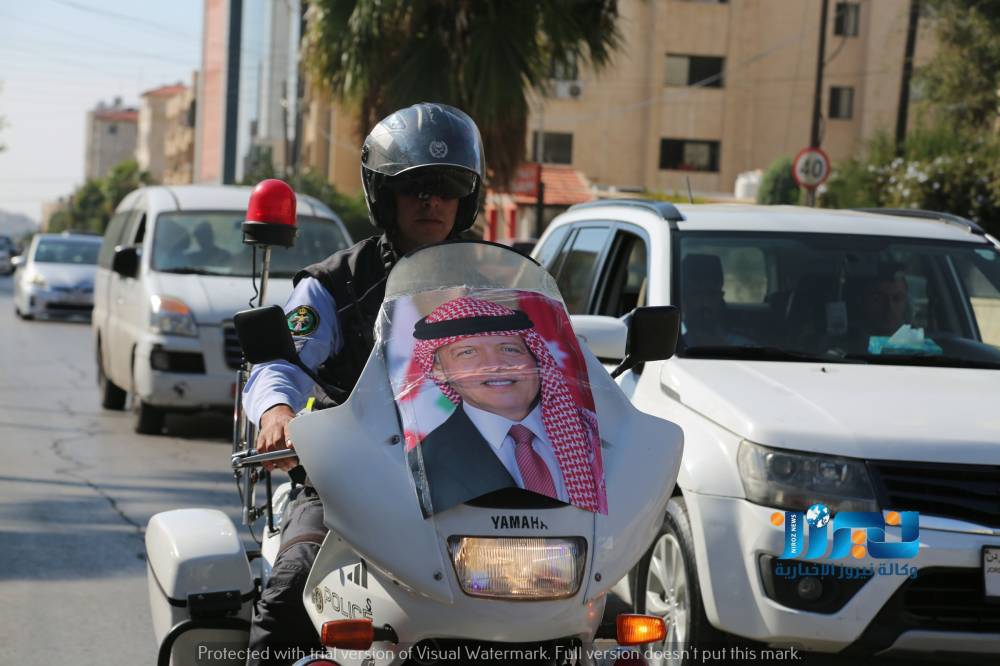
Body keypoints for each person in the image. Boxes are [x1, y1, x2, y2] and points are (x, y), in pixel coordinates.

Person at [240, 102, 485, 666]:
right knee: (291, 592)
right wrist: (277, 411)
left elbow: (555, 366)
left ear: (465, 199)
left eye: (446, 188)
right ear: (384, 194)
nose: (431, 201)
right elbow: (280, 362)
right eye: (414, 187)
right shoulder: (335, 284)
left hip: (475, 481)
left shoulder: (495, 284)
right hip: (349, 483)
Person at [409, 296, 607, 515]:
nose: (495, 365)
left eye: (510, 349)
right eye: (468, 352)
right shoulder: (421, 467)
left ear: (536, 358)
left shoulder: (594, 435)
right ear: (439, 371)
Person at [680, 253, 753, 347]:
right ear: (683, 299)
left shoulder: (744, 345)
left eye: (711, 294)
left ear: (720, 298)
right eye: (696, 294)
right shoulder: (669, 343)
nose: (705, 303)